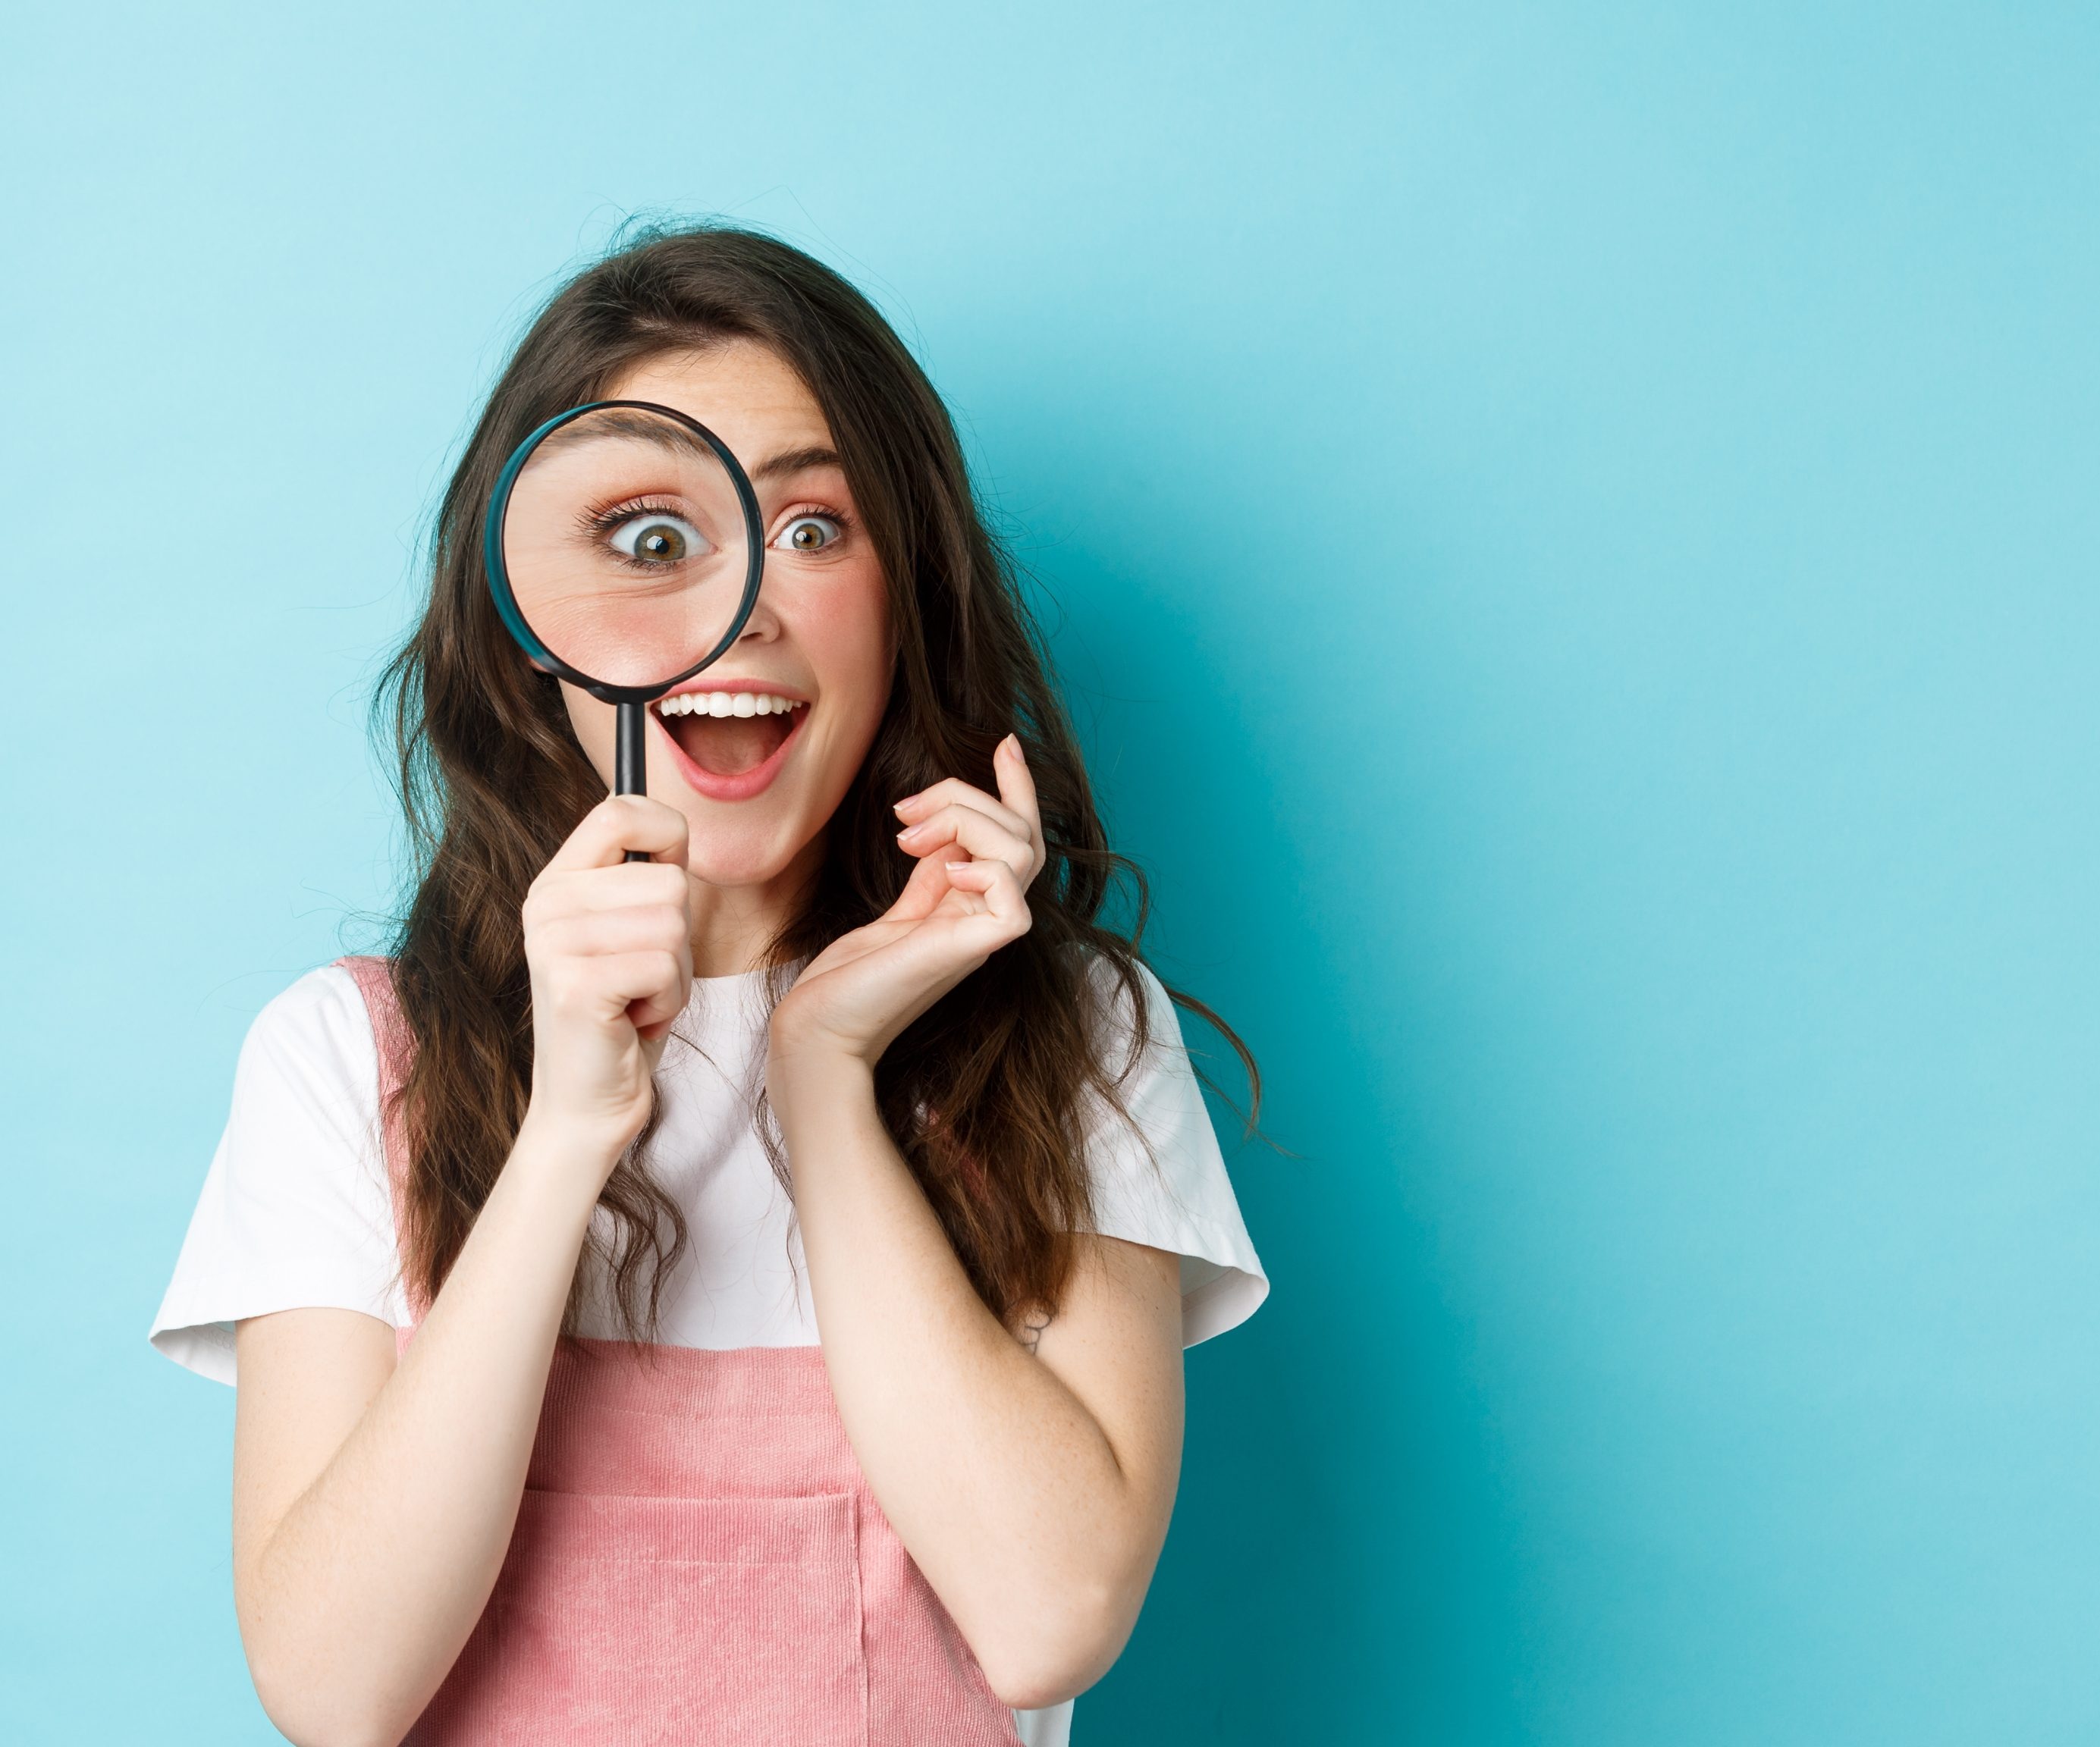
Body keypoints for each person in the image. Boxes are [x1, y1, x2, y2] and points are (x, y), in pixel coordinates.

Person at [151, 224, 1268, 1746]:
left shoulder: (1070, 1038)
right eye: (647, 539)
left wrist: (822, 1071)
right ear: (527, 632)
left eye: (813, 531)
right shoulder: (342, 1063)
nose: (735, 605)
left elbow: (1046, 1614)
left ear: (905, 603)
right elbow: (333, 1690)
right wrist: (558, 1141)